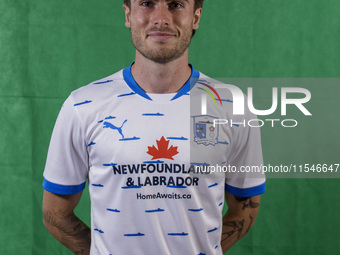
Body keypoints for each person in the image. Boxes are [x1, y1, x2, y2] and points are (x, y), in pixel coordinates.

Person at [42, 0, 266, 254]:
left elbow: (244, 209)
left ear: (195, 18)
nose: (161, 18)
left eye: (176, 5)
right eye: (147, 3)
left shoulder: (232, 106)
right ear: (128, 14)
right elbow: (54, 213)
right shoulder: (82, 105)